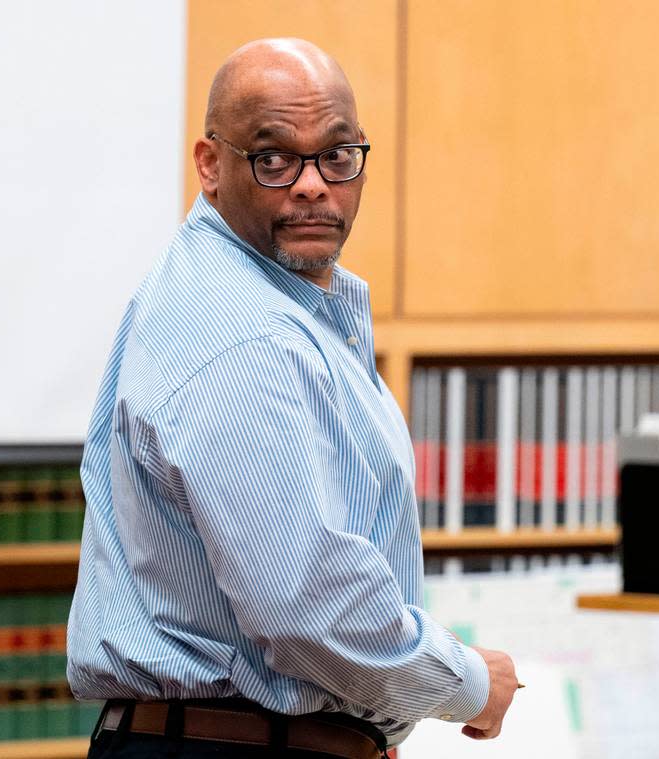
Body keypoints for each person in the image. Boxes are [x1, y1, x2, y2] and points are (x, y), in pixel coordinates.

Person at [67, 37, 519, 758]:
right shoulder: (242, 330)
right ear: (211, 165)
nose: (313, 184)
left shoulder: (263, 306)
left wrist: (364, 720)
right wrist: (467, 681)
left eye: (337, 155)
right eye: (274, 158)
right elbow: (307, 604)